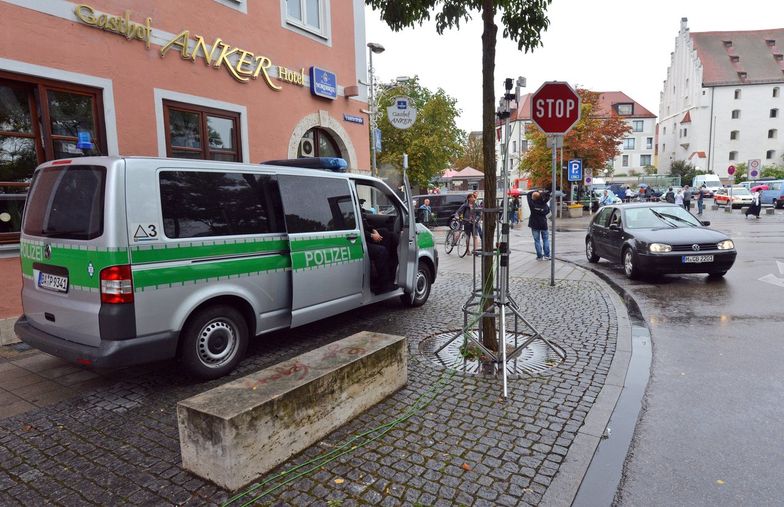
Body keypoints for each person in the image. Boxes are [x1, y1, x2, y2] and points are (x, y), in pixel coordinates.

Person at [527, 190, 551, 260]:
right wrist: (540, 193)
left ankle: (539, 256)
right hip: (543, 224)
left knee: (537, 240)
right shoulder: (544, 204)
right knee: (545, 240)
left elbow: (528, 194)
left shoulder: (532, 204)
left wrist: (536, 191)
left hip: (534, 224)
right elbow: (548, 211)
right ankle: (547, 256)